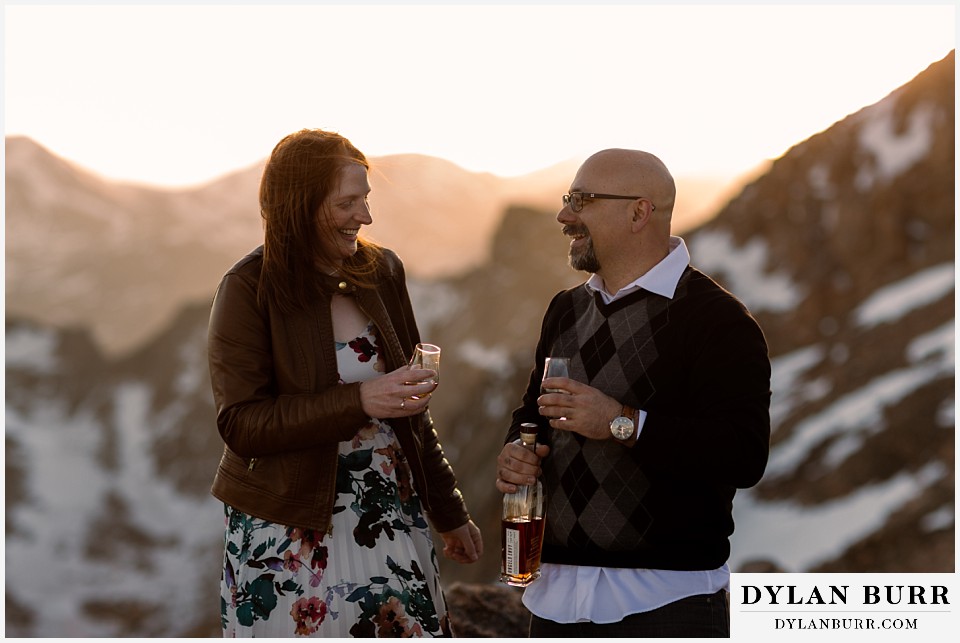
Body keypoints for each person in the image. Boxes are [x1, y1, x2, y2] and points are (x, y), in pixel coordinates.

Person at [207, 128, 482, 637]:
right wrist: (359, 400)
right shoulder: (246, 289)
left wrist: (449, 511)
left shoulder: (381, 271)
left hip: (387, 511)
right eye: (347, 202)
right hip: (288, 532)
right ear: (299, 207)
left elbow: (411, 407)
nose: (366, 216)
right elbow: (242, 424)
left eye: (366, 199)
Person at [496, 148, 771, 638]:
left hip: (668, 604)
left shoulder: (719, 321)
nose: (565, 215)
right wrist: (518, 449)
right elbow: (531, 415)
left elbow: (742, 457)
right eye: (567, 199)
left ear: (639, 212)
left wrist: (620, 422)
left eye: (581, 200)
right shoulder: (563, 309)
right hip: (555, 603)